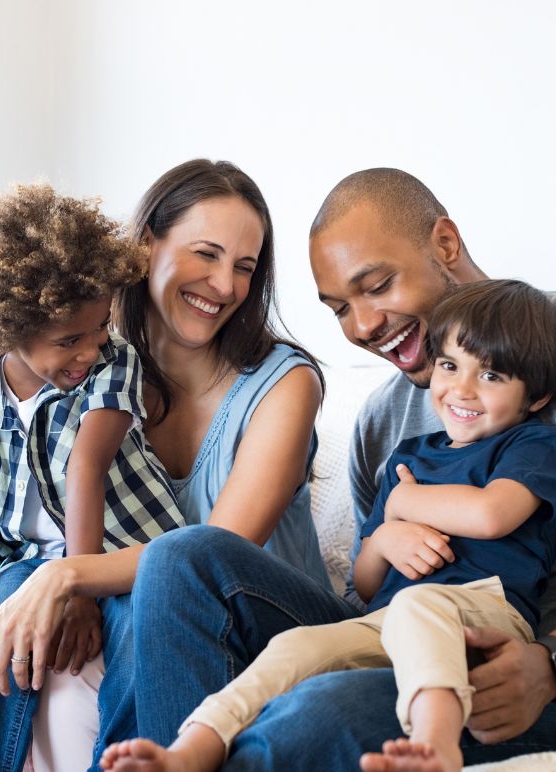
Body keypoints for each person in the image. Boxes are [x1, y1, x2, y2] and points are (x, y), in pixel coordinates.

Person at [94, 168, 556, 770]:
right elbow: (369, 588)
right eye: (340, 308)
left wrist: (548, 665)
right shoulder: (384, 423)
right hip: (395, 629)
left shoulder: (540, 377)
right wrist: (387, 534)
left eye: (378, 285)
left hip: (505, 654)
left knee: (313, 715)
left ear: (444, 245)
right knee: (180, 557)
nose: (363, 327)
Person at [0, 159, 339, 770]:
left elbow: (207, 559)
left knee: (154, 591)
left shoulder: (284, 384)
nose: (225, 285)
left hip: (258, 626)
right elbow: (6, 514)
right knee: (22, 635)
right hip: (151, 612)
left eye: (245, 268)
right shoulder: (79, 355)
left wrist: (67, 576)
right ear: (146, 245)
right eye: (207, 254)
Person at [0, 182, 185, 771]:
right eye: (68, 340)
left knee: (136, 631)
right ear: (6, 330)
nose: (90, 348)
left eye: (99, 327)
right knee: (0, 620)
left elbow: (86, 468)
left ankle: (123, 761)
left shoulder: (111, 362)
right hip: (27, 564)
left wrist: (78, 587)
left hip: (130, 551)